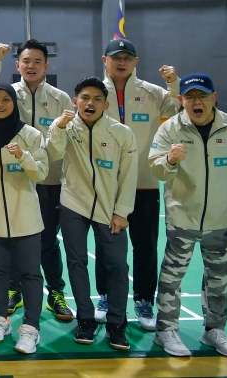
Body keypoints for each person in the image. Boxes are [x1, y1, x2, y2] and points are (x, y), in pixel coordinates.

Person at [150, 74, 227, 358]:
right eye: (190, 97)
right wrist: (169, 159)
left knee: (219, 279)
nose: (197, 102)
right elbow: (155, 169)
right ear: (181, 100)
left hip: (221, 221)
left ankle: (214, 330)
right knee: (172, 278)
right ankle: (166, 331)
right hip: (182, 218)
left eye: (202, 96)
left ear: (214, 98)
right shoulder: (170, 129)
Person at [0, 39, 75, 321]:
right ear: (18, 65)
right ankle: (14, 289)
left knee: (46, 240)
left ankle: (56, 292)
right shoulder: (9, 95)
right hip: (14, 182)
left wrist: (40, 156)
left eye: (37, 61)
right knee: (11, 237)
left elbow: (62, 145)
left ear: (46, 66)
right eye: (26, 61)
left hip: (47, 180)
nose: (31, 66)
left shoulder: (60, 98)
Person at [46, 77, 137, 351]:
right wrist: (59, 127)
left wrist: (122, 212)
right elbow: (52, 154)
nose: (91, 103)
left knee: (118, 265)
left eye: (97, 99)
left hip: (110, 210)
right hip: (74, 205)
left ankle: (117, 323)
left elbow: (128, 175)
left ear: (106, 104)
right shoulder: (65, 127)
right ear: (75, 102)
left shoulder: (121, 133)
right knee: (77, 263)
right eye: (85, 98)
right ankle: (85, 319)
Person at [95, 38, 179, 331]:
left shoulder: (153, 93)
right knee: (107, 246)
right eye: (116, 57)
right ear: (104, 59)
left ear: (135, 62)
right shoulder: (93, 93)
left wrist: (173, 83)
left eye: (127, 58)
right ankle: (105, 296)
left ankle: (144, 301)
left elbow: (180, 108)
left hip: (143, 184)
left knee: (145, 247)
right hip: (106, 185)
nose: (121, 62)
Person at [0, 83, 49, 354]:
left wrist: (23, 156)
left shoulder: (30, 135)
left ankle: (31, 328)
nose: (0, 104)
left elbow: (41, 173)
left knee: (30, 274)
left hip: (26, 219)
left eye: (6, 99)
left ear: (14, 103)